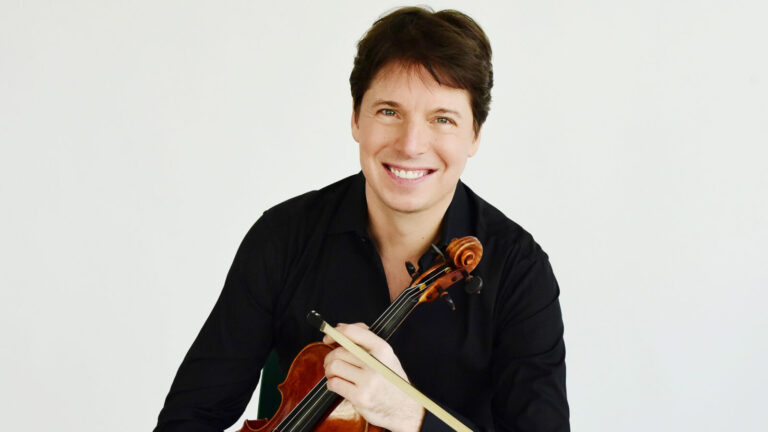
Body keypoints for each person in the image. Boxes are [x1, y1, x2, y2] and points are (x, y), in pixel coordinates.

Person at [155, 6, 569, 432]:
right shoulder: (283, 238)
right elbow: (188, 419)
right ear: (356, 118)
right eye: (389, 112)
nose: (411, 145)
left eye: (442, 119)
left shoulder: (520, 270)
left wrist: (410, 415)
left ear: (475, 135)